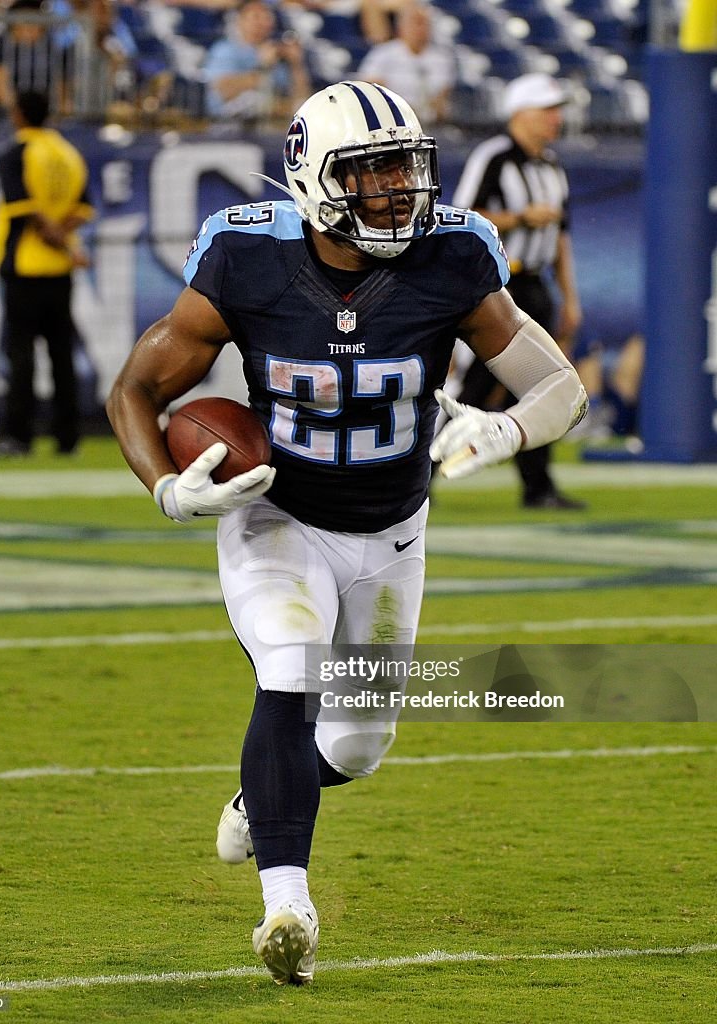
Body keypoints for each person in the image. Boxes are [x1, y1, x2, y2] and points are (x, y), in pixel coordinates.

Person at [106, 80, 587, 985]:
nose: (397, 194)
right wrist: (168, 488)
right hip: (277, 512)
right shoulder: (247, 258)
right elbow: (135, 390)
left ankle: (265, 794)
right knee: (289, 663)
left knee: (358, 747)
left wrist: (507, 429)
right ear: (315, 180)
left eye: (406, 170)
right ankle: (288, 903)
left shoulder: (453, 257)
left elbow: (561, 388)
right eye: (371, 177)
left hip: (394, 527)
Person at [452, 72, 586, 509]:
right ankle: (424, 477)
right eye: (547, 110)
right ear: (520, 113)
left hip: (536, 282)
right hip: (498, 283)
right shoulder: (494, 156)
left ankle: (538, 485)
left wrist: (570, 297)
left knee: (543, 385)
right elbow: (462, 214)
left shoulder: (552, 165)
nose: (556, 119)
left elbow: (562, 237)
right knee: (476, 386)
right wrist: (519, 218)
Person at [0, 89, 94, 457]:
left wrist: (56, 240)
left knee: (21, 357)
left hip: (25, 267)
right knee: (61, 356)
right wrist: (68, 244)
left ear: (18, 113)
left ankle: (18, 437)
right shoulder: (67, 153)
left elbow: (25, 210)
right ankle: (68, 438)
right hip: (60, 273)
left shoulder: (17, 152)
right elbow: (83, 207)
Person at [203, 0, 310, 124]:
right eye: (256, 17)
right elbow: (223, 90)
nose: (262, 23)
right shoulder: (225, 49)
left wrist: (296, 64)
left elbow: (302, 98)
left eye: (267, 17)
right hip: (228, 125)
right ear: (240, 21)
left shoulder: (276, 52)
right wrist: (263, 66)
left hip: (273, 124)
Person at [357, 2, 454, 125]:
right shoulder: (383, 53)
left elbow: (442, 96)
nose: (420, 29)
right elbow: (369, 86)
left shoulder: (442, 58)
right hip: (393, 119)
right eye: (416, 23)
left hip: (430, 121)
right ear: (401, 27)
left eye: (425, 23)